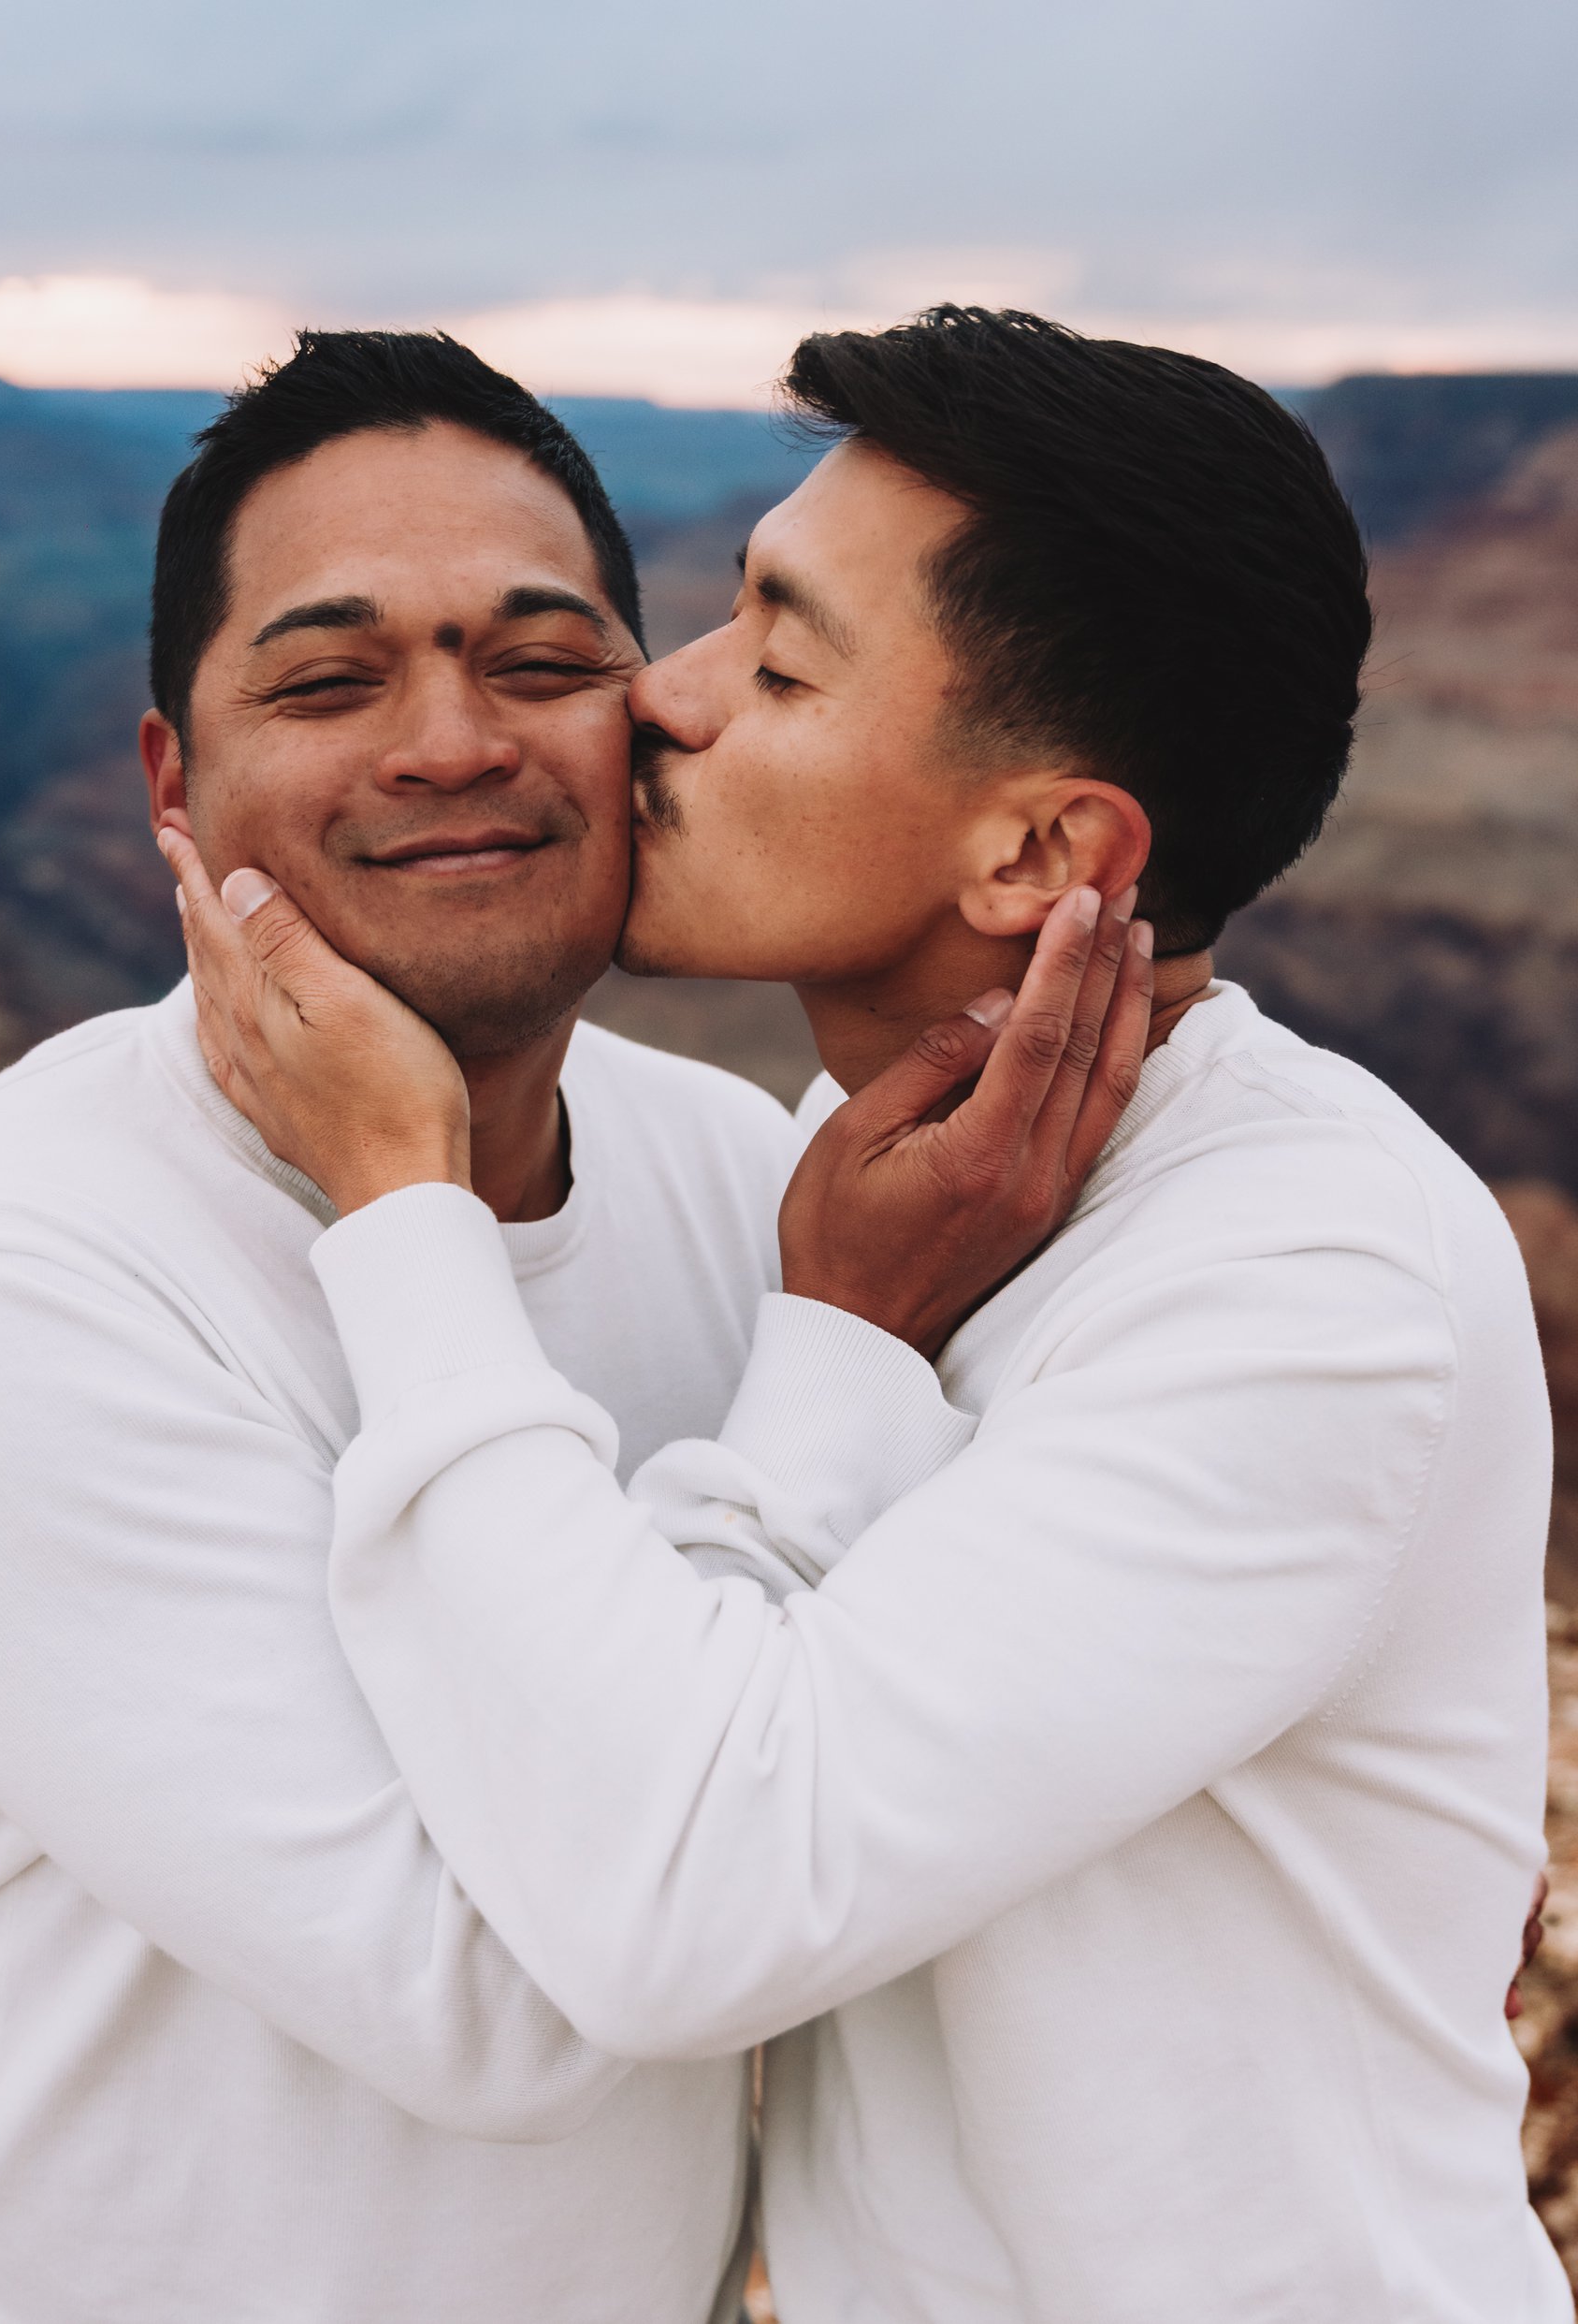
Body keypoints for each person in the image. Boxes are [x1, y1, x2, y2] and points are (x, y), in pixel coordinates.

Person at [171, 310, 1567, 2320]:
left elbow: (671, 1906)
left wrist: (404, 1202)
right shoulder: (894, 1192)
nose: (661, 698)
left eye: (779, 664)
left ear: (1041, 852)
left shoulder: (1304, 1279)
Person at [0, 330, 1101, 2324]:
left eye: (543, 661)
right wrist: (834, 1347)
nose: (451, 744)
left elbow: (902, 1745)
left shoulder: (728, 1169)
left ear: (648, 722)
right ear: (170, 783)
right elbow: (516, 2013)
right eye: (327, 682)